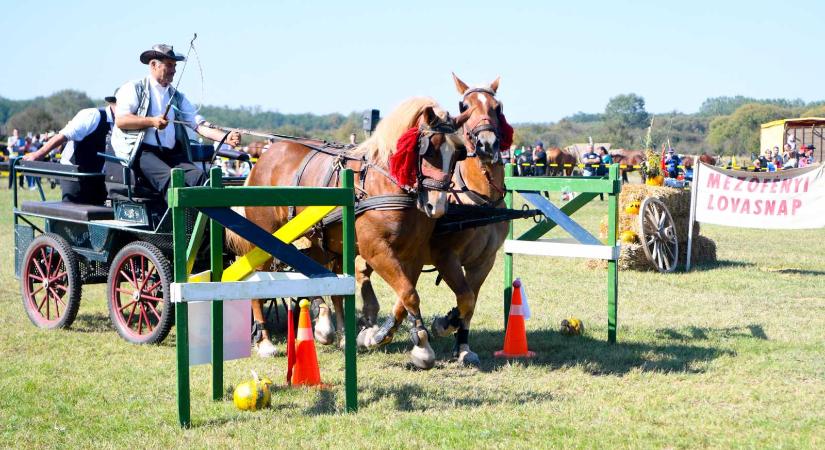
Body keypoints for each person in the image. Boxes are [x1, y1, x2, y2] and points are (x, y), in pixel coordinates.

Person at [111, 43, 241, 196]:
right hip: (143, 153)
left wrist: (226, 137)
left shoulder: (177, 97)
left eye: (175, 66)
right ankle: (181, 220)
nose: (174, 71)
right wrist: (151, 121)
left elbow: (197, 123)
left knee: (201, 179)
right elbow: (122, 121)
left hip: (171, 154)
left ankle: (204, 220)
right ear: (153, 65)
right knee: (173, 183)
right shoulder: (133, 88)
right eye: (169, 65)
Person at [23, 93, 119, 204]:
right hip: (75, 176)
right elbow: (63, 135)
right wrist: (38, 154)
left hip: (98, 179)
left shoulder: (121, 124)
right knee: (72, 217)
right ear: (114, 104)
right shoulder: (93, 115)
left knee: (98, 216)